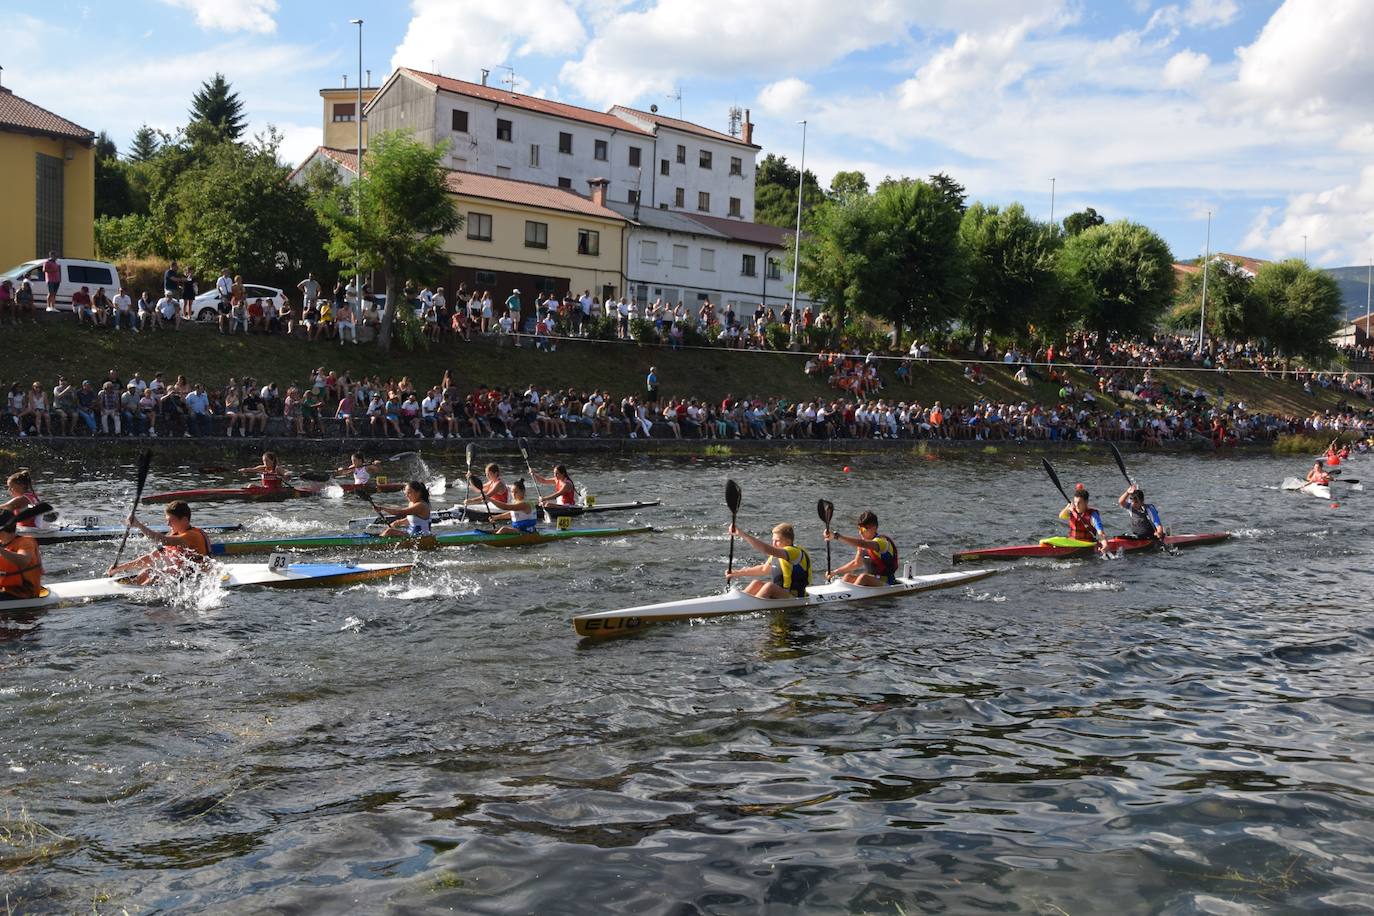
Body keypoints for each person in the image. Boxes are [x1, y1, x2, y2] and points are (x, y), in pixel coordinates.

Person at [106, 501, 211, 583]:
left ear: (184, 520)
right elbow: (150, 557)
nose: (168, 524)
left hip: (198, 578)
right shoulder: (174, 534)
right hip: (181, 575)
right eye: (167, 520)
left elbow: (162, 540)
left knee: (153, 575)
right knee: (147, 572)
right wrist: (119, 569)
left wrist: (139, 525)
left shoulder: (192, 536)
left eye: (171, 521)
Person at [726, 522, 812, 598]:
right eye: (773, 540)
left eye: (777, 541)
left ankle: (746, 607)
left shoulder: (794, 552)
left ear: (788, 542)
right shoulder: (778, 554)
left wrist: (742, 534)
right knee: (756, 583)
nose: (773, 544)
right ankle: (737, 602)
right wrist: (737, 573)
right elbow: (763, 569)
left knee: (769, 586)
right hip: (781, 593)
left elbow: (766, 549)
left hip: (795, 596)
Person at [823, 510, 899, 586]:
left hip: (887, 582)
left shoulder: (882, 542)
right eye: (859, 529)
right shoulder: (862, 545)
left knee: (863, 577)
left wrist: (837, 536)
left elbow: (863, 543)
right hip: (872, 581)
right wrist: (835, 572)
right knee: (847, 577)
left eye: (864, 529)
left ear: (874, 528)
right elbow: (856, 563)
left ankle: (850, 597)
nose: (860, 532)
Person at [0, 506, 43, 600]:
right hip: (5, 590)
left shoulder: (25, 542)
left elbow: (23, 560)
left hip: (23, 594)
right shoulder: (2, 544)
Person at [1056, 484, 1107, 550]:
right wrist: (1067, 507)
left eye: (1079, 502)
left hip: (1087, 545)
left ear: (1086, 502)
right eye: (1075, 502)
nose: (1076, 505)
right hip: (1072, 543)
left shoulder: (1093, 515)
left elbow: (1100, 533)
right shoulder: (1072, 511)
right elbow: (1061, 516)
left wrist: (1105, 544)